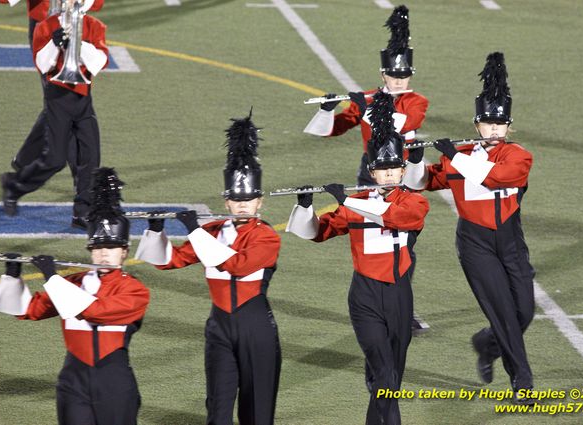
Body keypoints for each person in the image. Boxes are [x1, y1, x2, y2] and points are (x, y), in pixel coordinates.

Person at [288, 91, 429, 425]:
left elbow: (392, 216)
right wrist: (305, 207)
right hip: (364, 296)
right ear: (372, 171)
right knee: (383, 373)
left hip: (398, 295)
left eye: (396, 168)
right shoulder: (357, 203)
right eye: (383, 169)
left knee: (390, 376)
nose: (391, 174)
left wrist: (348, 202)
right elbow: (314, 233)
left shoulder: (414, 203)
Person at [403, 52, 536, 404]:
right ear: (476, 124)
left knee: (524, 310)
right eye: (487, 125)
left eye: (500, 125)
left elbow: (496, 179)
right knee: (505, 313)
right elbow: (421, 183)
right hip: (475, 244)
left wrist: (455, 156)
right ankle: (522, 384)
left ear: (509, 126)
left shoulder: (518, 156)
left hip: (511, 241)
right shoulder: (460, 154)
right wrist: (416, 159)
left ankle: (485, 344)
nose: (494, 131)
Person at [135, 112, 282, 425]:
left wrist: (195, 231)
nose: (243, 205)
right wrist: (154, 230)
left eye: (250, 198)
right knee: (216, 411)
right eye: (236, 199)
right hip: (218, 328)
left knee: (256, 414)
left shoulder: (266, 236)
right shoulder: (213, 231)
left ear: (260, 202)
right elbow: (167, 261)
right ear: (226, 202)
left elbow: (236, 265)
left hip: (256, 327)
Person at [0, 167, 150, 424]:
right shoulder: (72, 283)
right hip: (73, 379)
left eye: (112, 247)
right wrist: (12, 276)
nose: (104, 254)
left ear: (124, 251)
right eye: (98, 248)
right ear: (90, 250)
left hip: (114, 381)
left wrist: (52, 278)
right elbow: (28, 310)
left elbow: (95, 311)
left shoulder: (135, 290)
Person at [1, 0, 108, 228]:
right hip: (47, 27)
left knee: (87, 150)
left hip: (79, 35)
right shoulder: (47, 27)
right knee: (58, 142)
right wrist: (53, 42)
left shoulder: (94, 25)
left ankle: (82, 207)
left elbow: (95, 4)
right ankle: (22, 177)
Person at [304, 5, 429, 186]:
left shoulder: (418, 102)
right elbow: (332, 130)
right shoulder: (368, 98)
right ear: (383, 75)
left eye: (404, 76)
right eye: (394, 76)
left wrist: (366, 110)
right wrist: (326, 112)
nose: (399, 81)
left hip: (403, 166)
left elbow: (401, 125)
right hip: (371, 167)